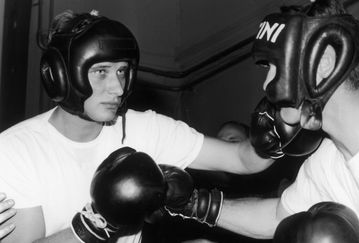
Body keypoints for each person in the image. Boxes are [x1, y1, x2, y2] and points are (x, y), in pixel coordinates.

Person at [0, 9, 272, 243]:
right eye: (101, 71)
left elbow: (245, 159)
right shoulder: (16, 150)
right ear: (60, 75)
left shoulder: (145, 129)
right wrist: (95, 224)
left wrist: (284, 112)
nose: (117, 87)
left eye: (122, 71)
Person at [189, 0, 359, 242]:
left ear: (324, 62)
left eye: (274, 66)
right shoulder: (328, 161)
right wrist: (193, 203)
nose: (266, 84)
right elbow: (276, 217)